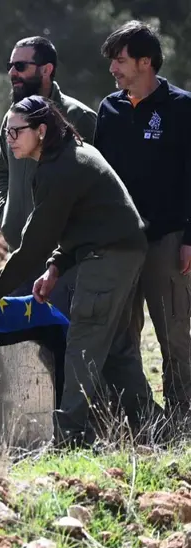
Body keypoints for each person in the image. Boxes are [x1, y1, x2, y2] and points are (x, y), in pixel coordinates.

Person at [0, 95, 159, 447]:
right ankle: (154, 426)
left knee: (82, 344)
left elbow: (33, 245)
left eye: (17, 131)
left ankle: (69, 437)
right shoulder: (68, 154)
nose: (10, 138)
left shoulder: (61, 167)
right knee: (116, 348)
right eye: (7, 131)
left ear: (41, 130)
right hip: (118, 250)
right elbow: (77, 224)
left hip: (109, 256)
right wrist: (55, 267)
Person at [93, 20, 191, 423]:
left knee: (174, 334)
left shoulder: (182, 107)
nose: (113, 70)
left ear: (145, 62)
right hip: (119, 243)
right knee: (122, 334)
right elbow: (98, 177)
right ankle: (136, 417)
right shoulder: (110, 109)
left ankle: (184, 417)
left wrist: (190, 236)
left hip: (168, 239)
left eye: (120, 61)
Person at [0, 36, 97, 314]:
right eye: (10, 65)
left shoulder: (79, 117)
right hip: (20, 254)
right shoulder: (11, 119)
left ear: (46, 70)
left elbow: (95, 185)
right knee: (23, 345)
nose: (12, 73)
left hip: (63, 262)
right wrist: (5, 214)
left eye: (20, 66)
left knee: (62, 342)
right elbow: (3, 171)